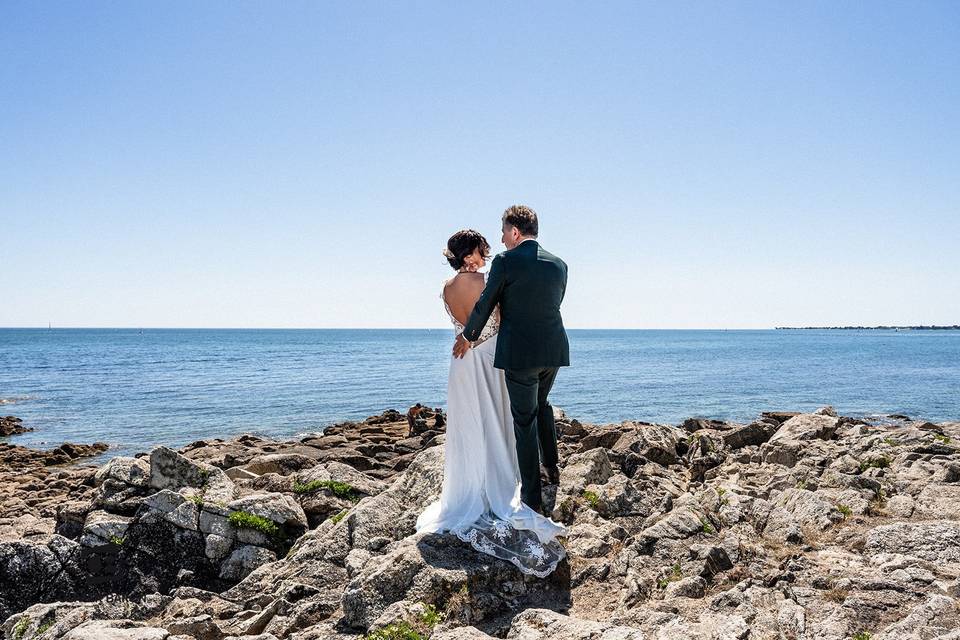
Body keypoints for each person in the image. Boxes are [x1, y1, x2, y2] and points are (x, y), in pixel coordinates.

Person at [415, 228, 566, 577]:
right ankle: (500, 484)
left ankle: (470, 488)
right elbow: (501, 317)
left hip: (463, 363)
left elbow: (463, 323)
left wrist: (468, 336)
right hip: (491, 356)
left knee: (470, 425)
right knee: (499, 420)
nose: (486, 254)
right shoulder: (488, 278)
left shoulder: (446, 287)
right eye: (483, 249)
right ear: (474, 254)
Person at [454, 205, 569, 514]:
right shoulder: (559, 264)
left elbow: (486, 301)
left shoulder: (506, 262)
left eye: (504, 232)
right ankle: (553, 468)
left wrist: (468, 336)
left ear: (515, 232)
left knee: (524, 420)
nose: (502, 239)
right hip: (554, 350)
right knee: (542, 403)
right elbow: (552, 303)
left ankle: (532, 498)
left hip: (521, 355)